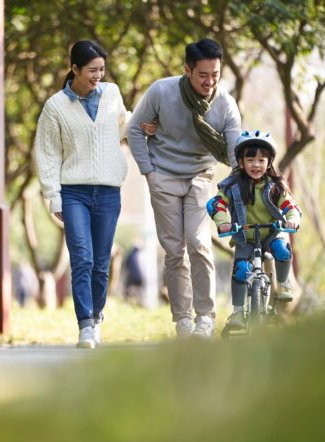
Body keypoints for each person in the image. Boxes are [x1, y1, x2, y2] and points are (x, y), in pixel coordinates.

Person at [35, 40, 156, 349]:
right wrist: (54, 195)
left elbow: (120, 126)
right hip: (73, 192)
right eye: (91, 70)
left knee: (101, 263)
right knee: (82, 259)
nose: (98, 76)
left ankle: (97, 317)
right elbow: (47, 154)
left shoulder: (112, 94)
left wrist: (140, 126)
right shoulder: (55, 106)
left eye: (102, 69)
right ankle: (85, 324)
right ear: (74, 69)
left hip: (107, 192)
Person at [127, 38, 241, 338]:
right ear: (187, 70)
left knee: (199, 242)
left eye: (215, 74)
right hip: (162, 176)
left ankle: (205, 317)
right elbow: (134, 131)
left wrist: (243, 182)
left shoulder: (225, 104)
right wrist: (149, 173)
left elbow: (234, 152)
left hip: (200, 176)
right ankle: (183, 321)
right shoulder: (162, 91)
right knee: (174, 251)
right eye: (203, 74)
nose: (210, 81)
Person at [206, 130, 301, 330]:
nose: (256, 165)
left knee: (283, 249)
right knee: (241, 270)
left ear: (269, 162)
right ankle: (238, 312)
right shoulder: (232, 185)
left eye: (261, 160)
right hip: (245, 237)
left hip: (271, 233)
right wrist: (223, 222)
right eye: (250, 159)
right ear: (241, 162)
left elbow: (290, 206)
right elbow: (216, 204)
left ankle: (283, 283)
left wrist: (291, 219)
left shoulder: (275, 185)